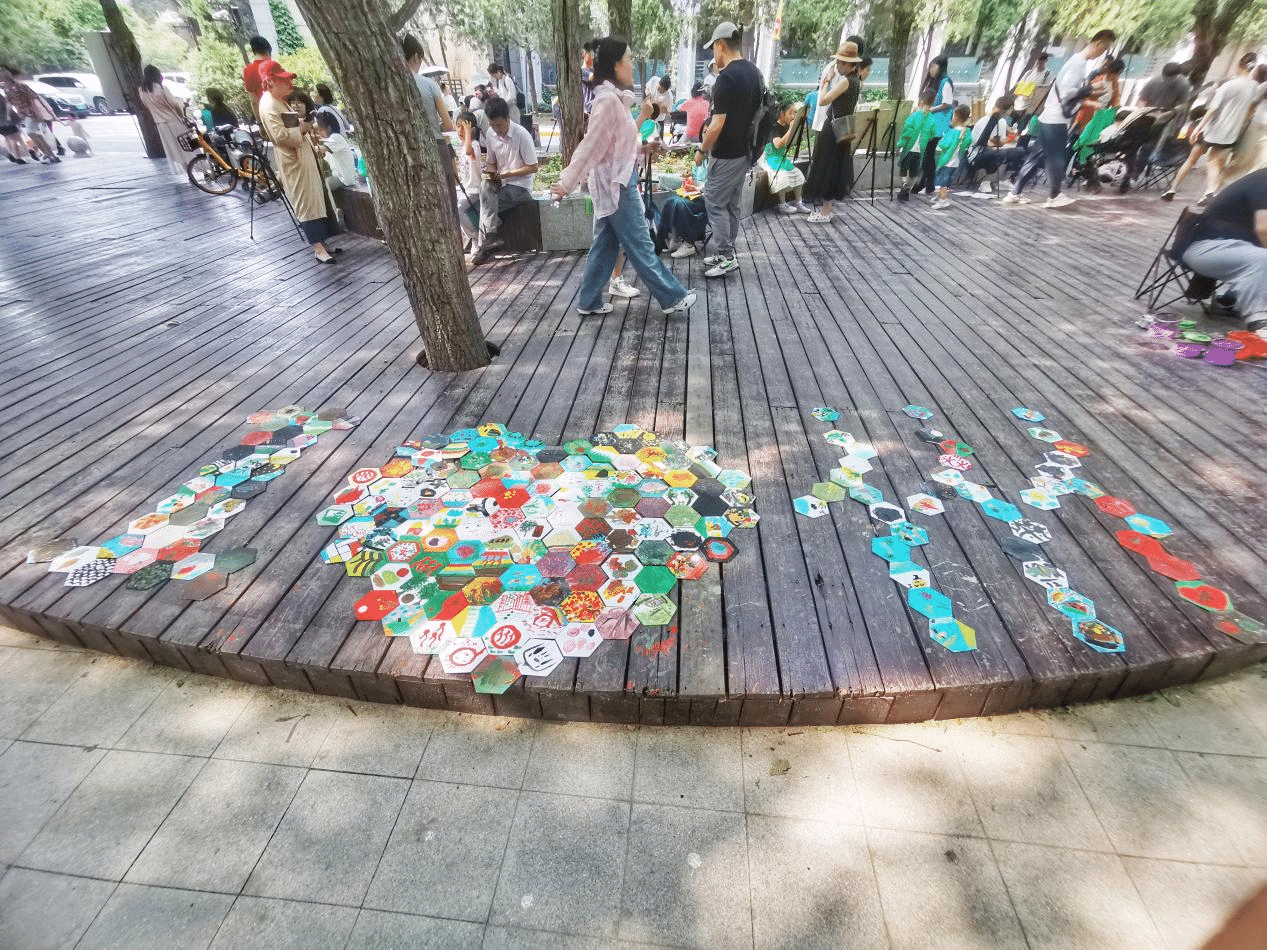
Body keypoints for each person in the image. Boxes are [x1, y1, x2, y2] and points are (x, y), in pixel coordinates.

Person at [549, 36, 695, 317]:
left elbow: (616, 145)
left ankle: (589, 301)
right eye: (628, 59)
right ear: (616, 65)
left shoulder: (613, 100)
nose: (631, 65)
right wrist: (566, 182)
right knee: (640, 244)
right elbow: (590, 147)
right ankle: (673, 297)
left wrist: (642, 147)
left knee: (605, 245)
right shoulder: (608, 102)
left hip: (612, 183)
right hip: (616, 186)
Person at [1003, 28, 1116, 209]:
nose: (1103, 53)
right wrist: (1091, 90)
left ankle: (1014, 193)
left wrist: (1090, 91)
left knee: (1036, 158)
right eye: (1104, 48)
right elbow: (1067, 92)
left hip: (1051, 117)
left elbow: (1068, 91)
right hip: (1056, 119)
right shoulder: (1078, 63)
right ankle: (1054, 195)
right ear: (1098, 42)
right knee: (1056, 158)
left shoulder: (1077, 62)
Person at [699, 21, 763, 277]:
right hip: (746, 152)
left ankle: (726, 256)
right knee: (731, 204)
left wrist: (701, 150)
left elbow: (717, 125)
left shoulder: (725, 79)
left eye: (713, 48)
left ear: (721, 45)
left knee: (714, 201)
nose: (713, 54)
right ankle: (724, 251)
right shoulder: (754, 72)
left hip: (726, 153)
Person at [257, 60, 339, 263]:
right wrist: (303, 127)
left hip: (303, 157)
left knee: (315, 200)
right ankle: (318, 248)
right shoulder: (269, 104)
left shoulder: (277, 101)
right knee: (306, 205)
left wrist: (305, 126)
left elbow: (292, 127)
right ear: (271, 82)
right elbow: (282, 136)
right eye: (283, 80)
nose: (289, 84)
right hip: (295, 161)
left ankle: (322, 243)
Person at [1177, 167, 1267, 339]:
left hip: (1234, 248)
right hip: (1206, 249)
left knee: (1260, 258)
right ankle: (1260, 320)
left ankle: (1230, 300)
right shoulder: (1264, 180)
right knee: (1264, 259)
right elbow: (1264, 229)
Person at [1164, 53, 1259, 204]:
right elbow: (1249, 110)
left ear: (1239, 65)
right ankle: (1209, 192)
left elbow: (1213, 109)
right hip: (1230, 132)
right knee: (1214, 162)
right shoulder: (1254, 87)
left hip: (1211, 129)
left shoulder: (1228, 85)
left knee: (1191, 160)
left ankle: (1172, 190)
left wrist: (1198, 128)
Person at [469, 96, 538, 265]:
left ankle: (485, 246)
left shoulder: (521, 135)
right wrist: (492, 173)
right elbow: (491, 163)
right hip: (502, 184)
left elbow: (533, 167)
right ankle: (490, 238)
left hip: (520, 187)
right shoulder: (490, 134)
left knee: (484, 207)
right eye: (492, 125)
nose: (496, 129)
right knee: (485, 187)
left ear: (508, 118)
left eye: (499, 125)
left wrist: (509, 173)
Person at [802, 40, 863, 223]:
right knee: (833, 168)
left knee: (826, 167)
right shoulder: (856, 81)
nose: (837, 66)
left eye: (839, 63)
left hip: (833, 129)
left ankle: (825, 212)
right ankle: (826, 209)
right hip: (842, 130)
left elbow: (823, 100)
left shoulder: (846, 81)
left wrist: (826, 81)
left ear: (847, 64)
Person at [402, 35, 459, 220]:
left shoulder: (393, 85)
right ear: (416, 57)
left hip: (407, 150)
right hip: (435, 145)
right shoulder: (429, 84)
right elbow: (448, 124)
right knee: (448, 200)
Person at [913, 55, 956, 195]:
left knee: (927, 153)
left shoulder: (945, 82)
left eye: (933, 67)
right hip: (932, 122)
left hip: (939, 123)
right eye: (930, 67)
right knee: (928, 153)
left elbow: (947, 103)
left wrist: (931, 109)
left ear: (941, 67)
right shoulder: (935, 82)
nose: (931, 70)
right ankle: (926, 183)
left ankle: (928, 183)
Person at [137, 65, 190, 179]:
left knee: (175, 149)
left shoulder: (142, 91)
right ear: (157, 75)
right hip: (174, 121)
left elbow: (147, 106)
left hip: (161, 125)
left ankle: (188, 172)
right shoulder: (162, 89)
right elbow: (174, 104)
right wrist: (182, 112)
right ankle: (200, 168)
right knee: (187, 146)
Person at [0, 65, 59, 163]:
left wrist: (39, 111)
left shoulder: (19, 86)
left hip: (31, 113)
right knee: (33, 133)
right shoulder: (8, 88)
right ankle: (49, 154)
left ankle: (49, 154)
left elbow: (33, 98)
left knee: (31, 133)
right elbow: (9, 102)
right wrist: (8, 114)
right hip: (26, 114)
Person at [762, 100, 809, 213]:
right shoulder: (773, 127)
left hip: (781, 158)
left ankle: (798, 203)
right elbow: (778, 144)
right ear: (782, 114)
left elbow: (791, 143)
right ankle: (782, 205)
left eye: (794, 113)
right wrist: (791, 129)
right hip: (772, 158)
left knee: (798, 174)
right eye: (790, 113)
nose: (792, 116)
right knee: (782, 175)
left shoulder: (786, 126)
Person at [968, 95, 1022, 189]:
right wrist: (1009, 139)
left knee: (1020, 151)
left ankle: (1002, 180)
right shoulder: (984, 121)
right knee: (1001, 153)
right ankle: (986, 181)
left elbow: (998, 142)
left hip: (989, 151)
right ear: (1009, 109)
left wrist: (1010, 137)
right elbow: (987, 143)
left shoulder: (1001, 122)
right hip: (977, 154)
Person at [930, 105, 972, 209]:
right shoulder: (967, 131)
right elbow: (967, 143)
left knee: (942, 181)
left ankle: (943, 200)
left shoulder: (953, 132)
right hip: (957, 161)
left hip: (947, 160)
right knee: (947, 180)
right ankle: (940, 196)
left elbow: (943, 145)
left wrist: (940, 142)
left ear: (956, 117)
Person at [897, 92, 937, 200]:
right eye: (925, 105)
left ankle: (907, 188)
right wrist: (901, 143)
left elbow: (933, 132)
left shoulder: (929, 118)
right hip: (910, 146)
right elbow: (906, 130)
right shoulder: (916, 116)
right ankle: (905, 186)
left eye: (929, 105)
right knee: (905, 167)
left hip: (919, 148)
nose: (927, 108)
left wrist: (926, 137)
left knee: (914, 170)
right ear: (921, 104)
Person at [314, 111, 357, 190]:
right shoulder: (331, 139)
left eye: (321, 129)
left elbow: (320, 150)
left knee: (320, 186)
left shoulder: (336, 137)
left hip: (343, 179)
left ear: (329, 128)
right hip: (339, 177)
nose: (319, 133)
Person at [1012, 52, 1052, 117]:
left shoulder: (1047, 74)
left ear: (1045, 61)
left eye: (1041, 62)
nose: (1038, 64)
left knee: (1022, 123)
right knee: (1010, 121)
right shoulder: (1029, 72)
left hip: (1031, 107)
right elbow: (1020, 84)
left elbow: (1045, 90)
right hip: (1018, 104)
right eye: (1037, 62)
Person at [242, 36, 272, 114]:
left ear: (254, 52)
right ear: (268, 51)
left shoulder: (247, 70)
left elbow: (254, 102)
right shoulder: (274, 66)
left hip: (265, 113)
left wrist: (259, 120)